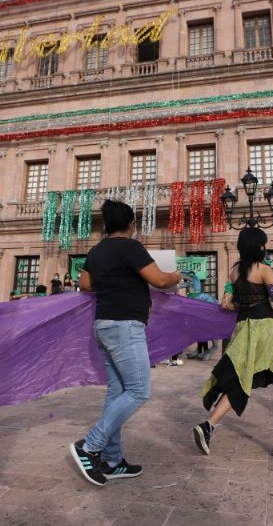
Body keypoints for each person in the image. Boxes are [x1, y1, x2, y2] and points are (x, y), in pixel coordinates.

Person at [70, 200, 180, 486]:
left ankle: (112, 459)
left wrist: (113, 280)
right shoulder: (130, 247)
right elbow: (159, 280)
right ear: (130, 224)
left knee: (117, 392)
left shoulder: (96, 251)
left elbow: (84, 284)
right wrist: (177, 276)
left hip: (104, 324)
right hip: (124, 327)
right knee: (139, 391)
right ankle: (89, 446)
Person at [192, 227, 273, 459]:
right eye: (263, 244)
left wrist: (247, 304)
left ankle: (208, 425)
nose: (264, 247)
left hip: (243, 327)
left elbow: (227, 303)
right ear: (258, 246)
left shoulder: (235, 271)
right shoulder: (264, 269)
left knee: (241, 379)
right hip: (265, 329)